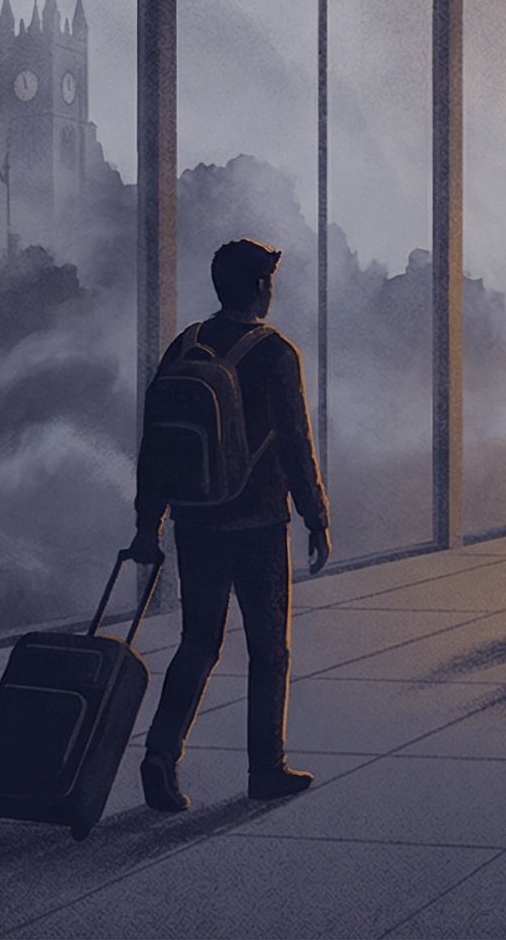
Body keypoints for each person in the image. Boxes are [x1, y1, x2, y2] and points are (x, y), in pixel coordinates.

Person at [131, 239, 331, 812]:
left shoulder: (184, 345)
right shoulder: (275, 353)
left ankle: (160, 755)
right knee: (270, 651)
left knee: (199, 642)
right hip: (259, 522)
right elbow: (296, 443)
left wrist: (150, 523)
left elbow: (155, 445)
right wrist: (315, 516)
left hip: (195, 522)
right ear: (262, 287)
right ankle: (265, 769)